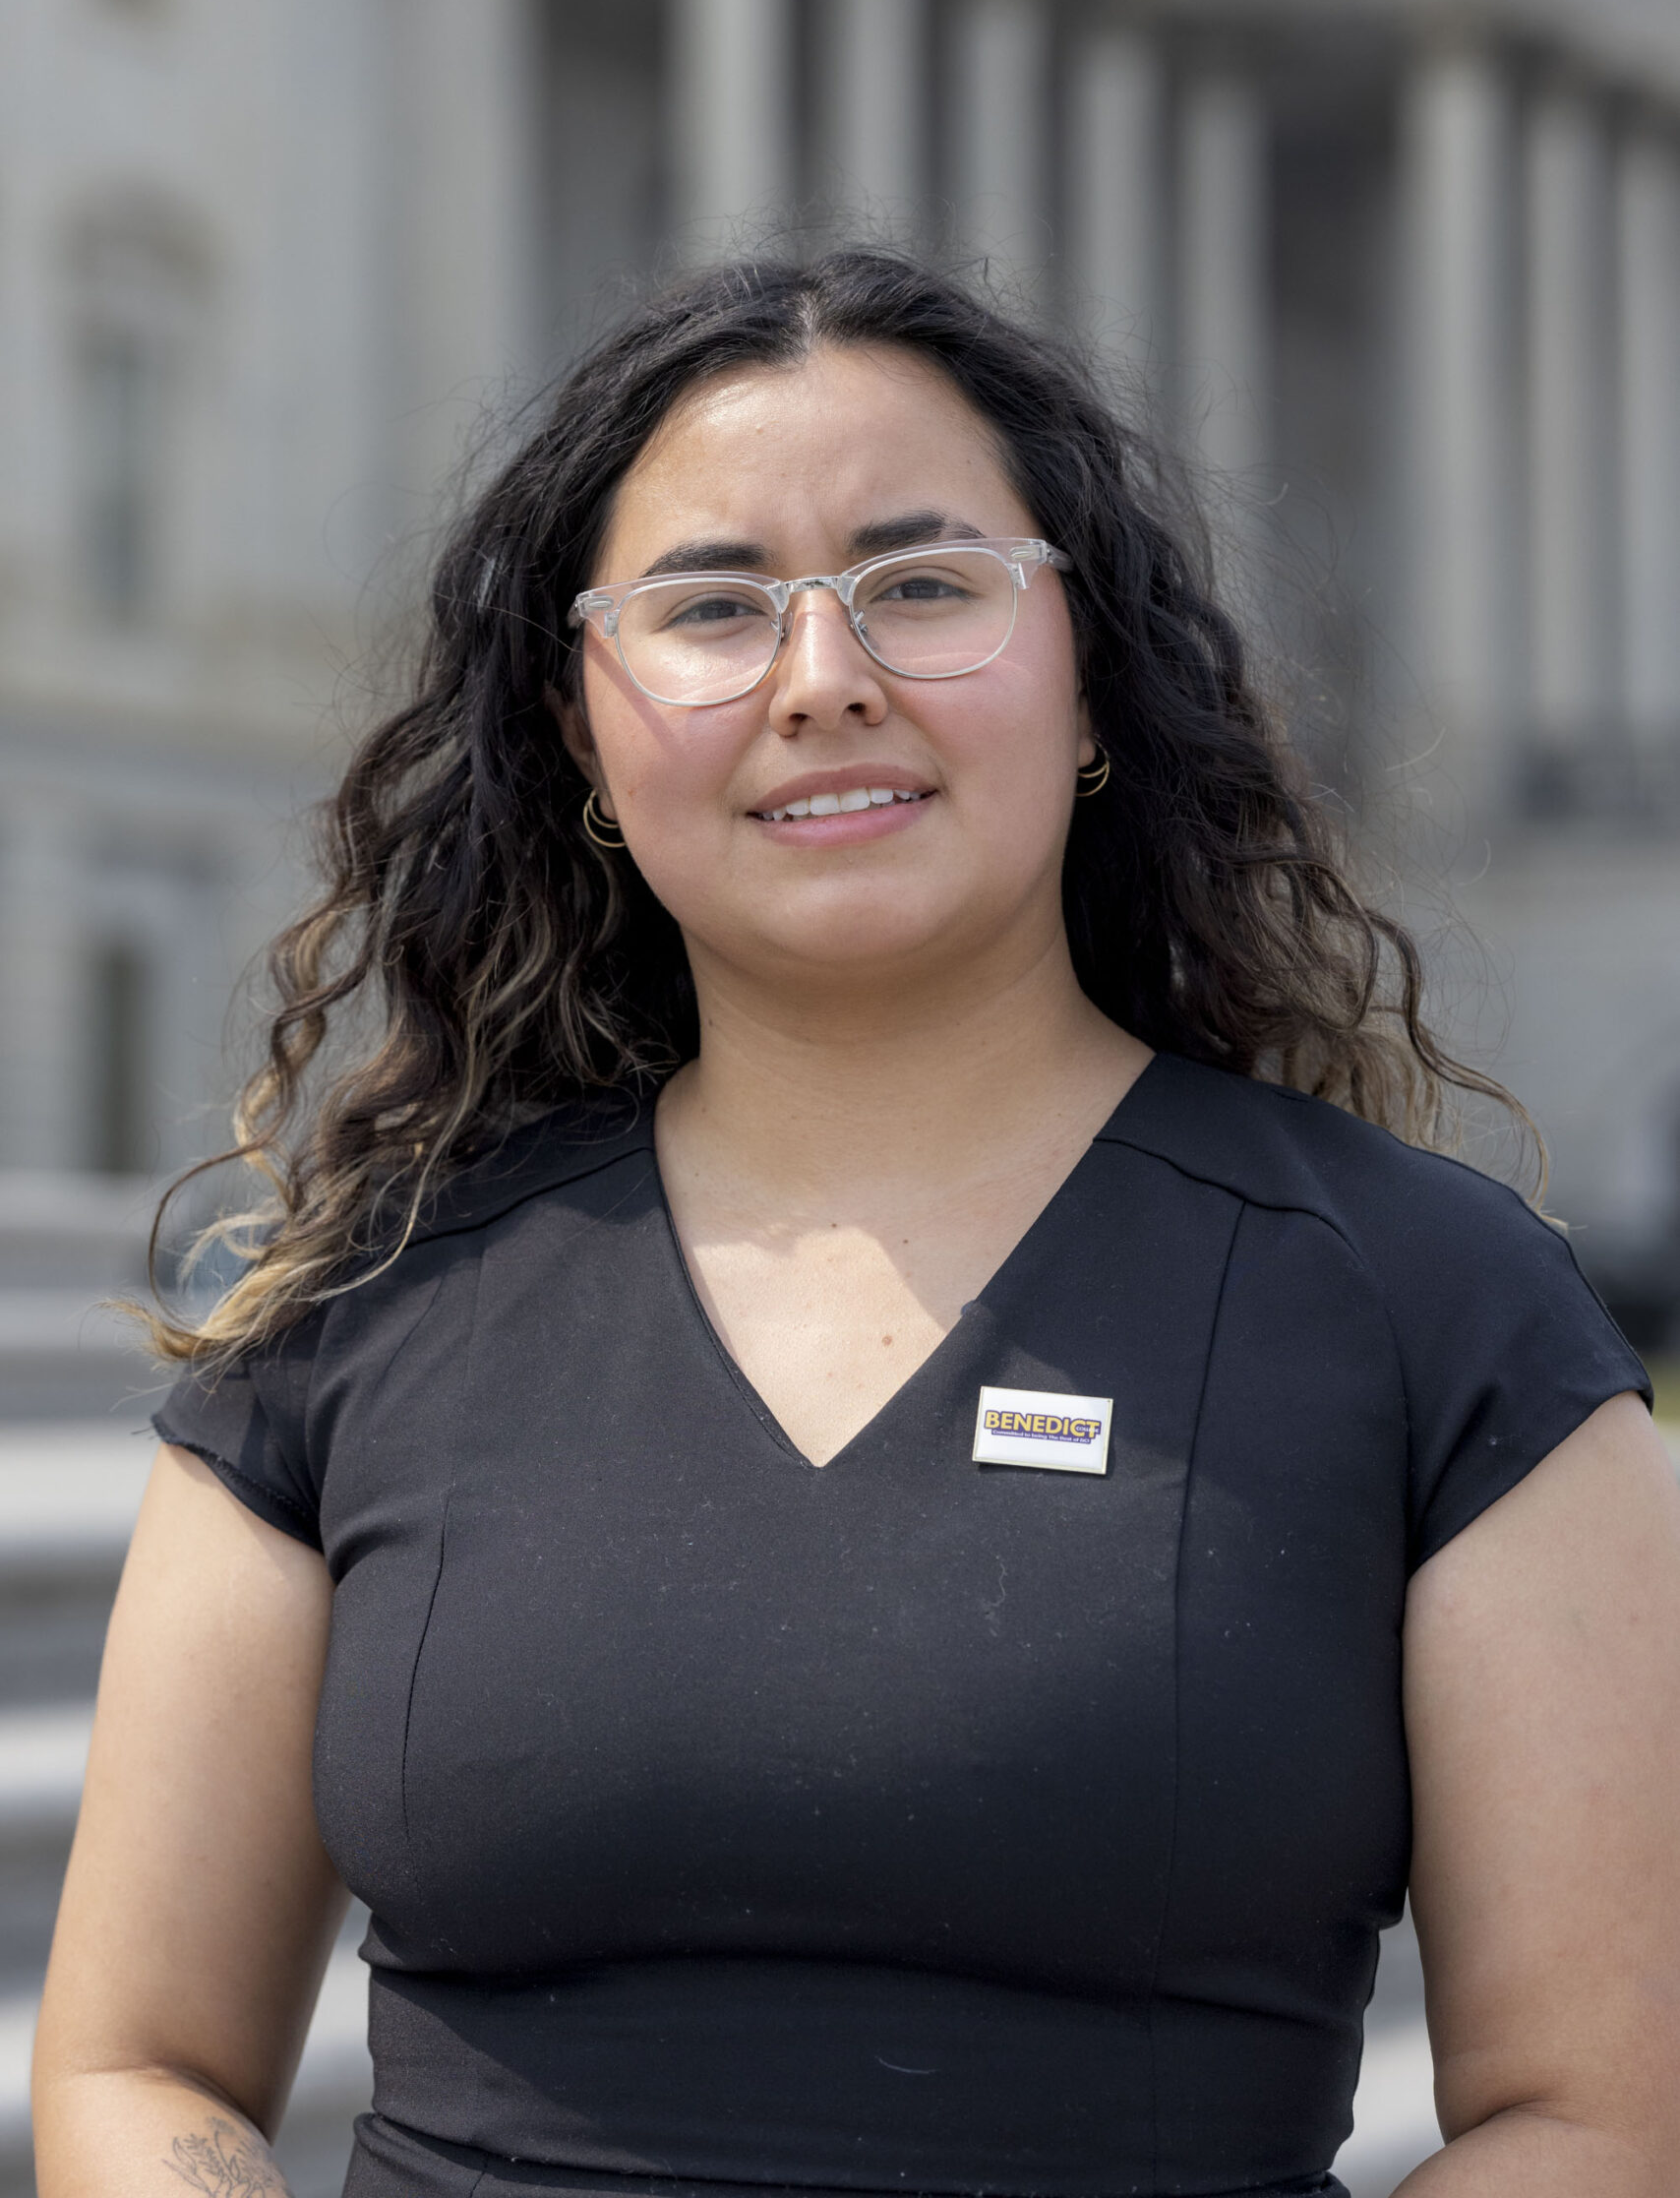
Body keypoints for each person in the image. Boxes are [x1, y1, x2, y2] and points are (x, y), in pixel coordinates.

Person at [31, 251, 1680, 2198]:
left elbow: (1595, 2113)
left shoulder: (1437, 1311)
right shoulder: (363, 1304)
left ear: (1088, 675)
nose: (821, 677)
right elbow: (141, 2064)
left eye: (919, 583)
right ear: (585, 731)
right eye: (710, 606)